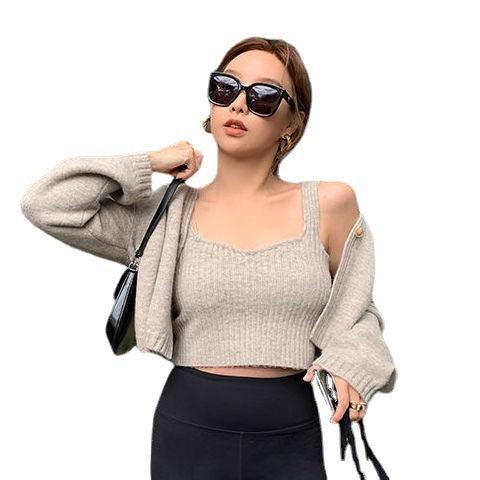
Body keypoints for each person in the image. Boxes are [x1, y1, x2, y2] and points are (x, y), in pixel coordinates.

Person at [20, 36, 396, 479]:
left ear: (293, 121)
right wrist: (150, 162)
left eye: (262, 96)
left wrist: (354, 363)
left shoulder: (330, 204)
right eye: (225, 87)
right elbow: (47, 204)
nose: (238, 104)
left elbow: (358, 311)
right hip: (189, 429)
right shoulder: (167, 216)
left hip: (289, 431)